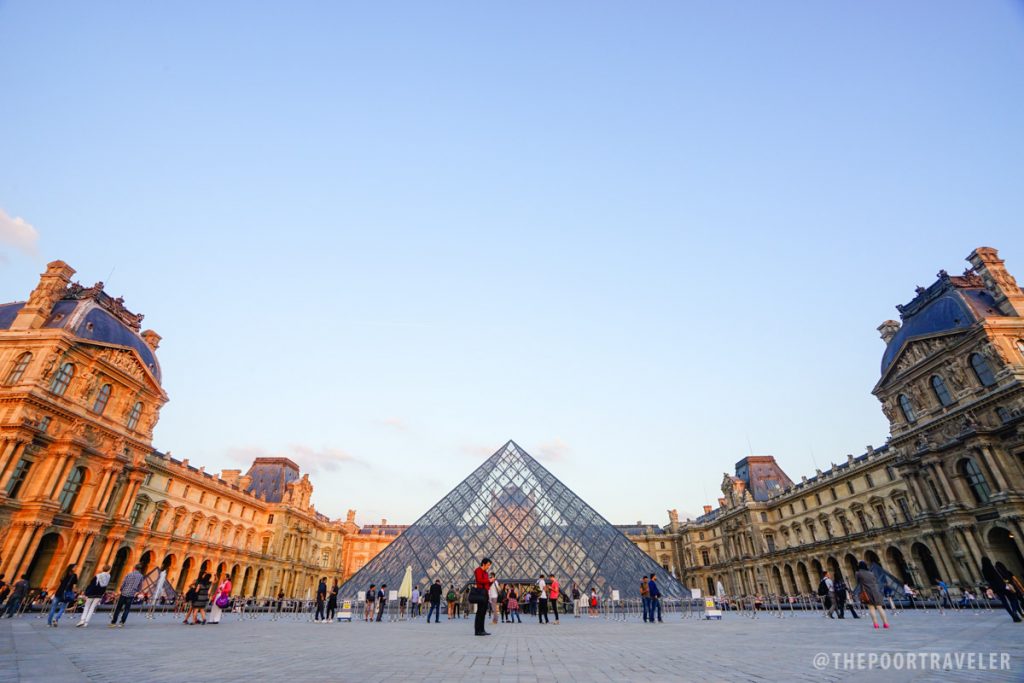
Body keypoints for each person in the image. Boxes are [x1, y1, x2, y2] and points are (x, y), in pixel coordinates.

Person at [981, 556, 1021, 622]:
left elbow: (988, 580)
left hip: (996, 589)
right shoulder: (994, 568)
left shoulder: (984, 570)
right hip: (1004, 586)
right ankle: (1014, 612)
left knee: (1004, 602)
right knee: (1013, 598)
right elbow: (1003, 576)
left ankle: (1012, 615)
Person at [854, 561, 889, 629]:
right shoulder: (871, 573)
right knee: (880, 608)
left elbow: (858, 582)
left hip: (867, 592)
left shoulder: (858, 573)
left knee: (871, 608)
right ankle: (885, 623)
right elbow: (875, 581)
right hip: (876, 591)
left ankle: (875, 624)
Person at [473, 557, 493, 636]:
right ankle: (477, 630)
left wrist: (491, 582)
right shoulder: (478, 570)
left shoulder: (486, 573)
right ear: (483, 564)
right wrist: (488, 580)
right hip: (480, 593)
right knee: (479, 612)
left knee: (483, 612)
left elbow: (487, 584)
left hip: (485, 593)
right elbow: (479, 580)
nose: (488, 567)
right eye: (488, 565)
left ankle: (482, 629)